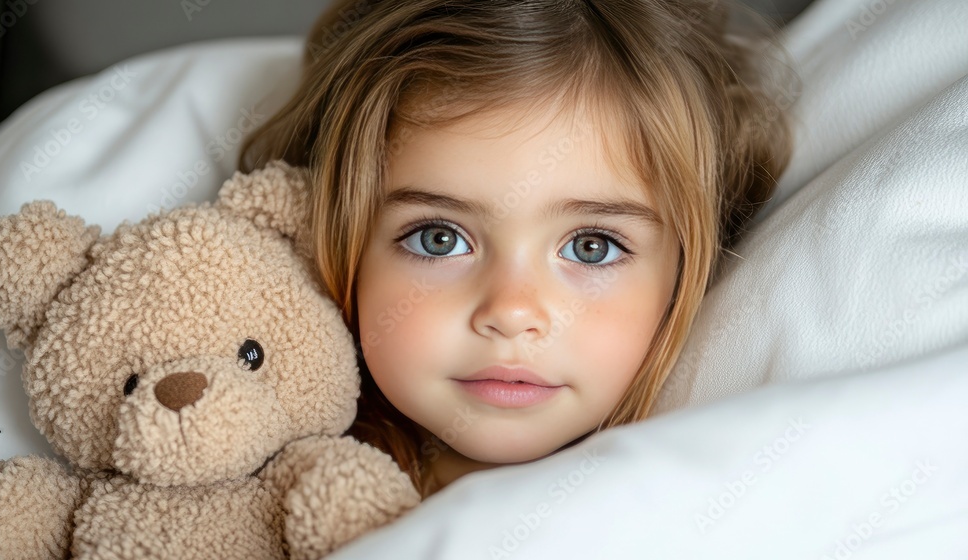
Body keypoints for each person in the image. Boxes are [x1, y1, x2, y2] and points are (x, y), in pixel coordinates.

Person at [239, 0, 794, 499]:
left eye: (592, 247)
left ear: (687, 265)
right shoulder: (262, 480)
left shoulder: (699, 500)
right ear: (339, 241)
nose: (510, 312)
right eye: (439, 239)